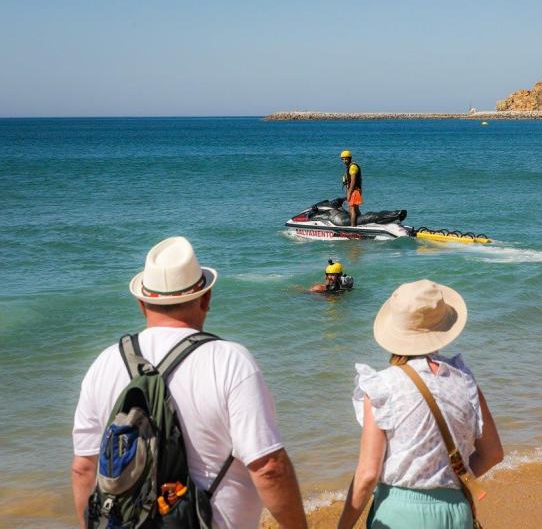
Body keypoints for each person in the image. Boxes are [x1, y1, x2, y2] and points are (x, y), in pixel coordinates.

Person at [71, 236, 307, 529]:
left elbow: (84, 469)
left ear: (142, 303)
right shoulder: (230, 360)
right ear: (206, 298)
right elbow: (269, 468)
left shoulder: (104, 364)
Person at [338, 279, 504, 529]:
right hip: (457, 512)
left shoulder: (382, 386)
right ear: (443, 328)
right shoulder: (464, 381)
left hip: (399, 514)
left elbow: (368, 474)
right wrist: (452, 484)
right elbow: (493, 454)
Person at [340, 149, 363, 227]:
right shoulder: (350, 167)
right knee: (355, 209)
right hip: (354, 190)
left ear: (350, 158)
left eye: (346, 159)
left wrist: (349, 192)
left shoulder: (353, 167)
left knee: (352, 209)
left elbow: (353, 181)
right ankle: (362, 223)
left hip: (355, 190)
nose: (344, 161)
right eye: (343, 159)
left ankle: (353, 227)